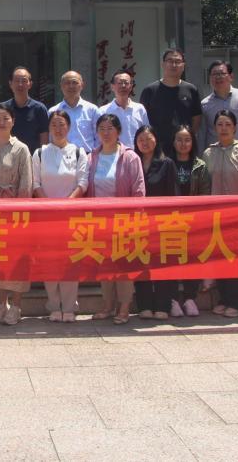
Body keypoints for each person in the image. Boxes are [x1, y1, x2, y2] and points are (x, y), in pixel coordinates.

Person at [0, 103, 34, 325]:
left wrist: (19, 210)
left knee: (16, 259)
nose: (1, 122)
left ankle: (16, 306)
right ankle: (2, 304)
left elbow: (26, 183)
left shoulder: (21, 149)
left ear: (13, 121)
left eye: (5, 118)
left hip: (14, 211)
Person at [88, 114, 146, 324]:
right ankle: (107, 305)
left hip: (124, 219)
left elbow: (139, 190)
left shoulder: (130, 157)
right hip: (100, 221)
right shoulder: (92, 157)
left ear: (119, 131)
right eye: (102, 128)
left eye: (110, 128)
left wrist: (135, 218)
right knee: (104, 265)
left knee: (123, 264)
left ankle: (124, 307)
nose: (106, 132)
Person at [33, 110, 89, 322]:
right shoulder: (40, 153)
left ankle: (69, 306)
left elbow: (82, 182)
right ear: (49, 128)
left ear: (69, 127)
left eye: (62, 124)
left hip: (71, 215)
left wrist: (66, 205)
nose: (58, 129)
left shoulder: (79, 152)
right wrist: (50, 206)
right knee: (50, 261)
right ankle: (54, 305)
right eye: (54, 125)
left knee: (70, 261)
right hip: (46, 216)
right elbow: (35, 183)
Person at [202, 109, 238, 318]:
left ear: (235, 127)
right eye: (220, 124)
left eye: (228, 124)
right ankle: (224, 299)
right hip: (216, 216)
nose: (223, 128)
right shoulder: (208, 153)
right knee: (220, 257)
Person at [131, 125, 179, 320]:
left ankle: (162, 305)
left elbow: (173, 194)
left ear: (156, 140)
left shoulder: (167, 163)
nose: (144, 142)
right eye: (140, 139)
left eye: (148, 138)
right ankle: (144, 305)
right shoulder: (132, 162)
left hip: (162, 223)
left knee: (162, 264)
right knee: (140, 262)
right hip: (139, 223)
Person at [171, 125, 210, 317]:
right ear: (173, 142)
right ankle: (172, 299)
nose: (183, 144)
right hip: (170, 220)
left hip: (194, 220)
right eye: (179, 139)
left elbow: (205, 193)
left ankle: (189, 298)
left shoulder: (200, 166)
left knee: (192, 259)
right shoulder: (166, 163)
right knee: (170, 259)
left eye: (187, 140)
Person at [139, 48, 203, 152]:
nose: (174, 65)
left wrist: (187, 137)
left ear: (183, 66)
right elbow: (142, 119)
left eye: (178, 61)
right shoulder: (150, 90)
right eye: (170, 61)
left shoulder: (191, 90)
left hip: (183, 149)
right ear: (163, 64)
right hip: (157, 148)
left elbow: (196, 118)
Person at [199, 60, 238, 151]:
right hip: (217, 156)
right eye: (214, 74)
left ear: (231, 76)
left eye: (222, 73)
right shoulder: (205, 105)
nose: (218, 77)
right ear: (210, 78)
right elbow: (202, 136)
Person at [97, 69, 149, 150]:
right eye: (120, 83)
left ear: (131, 86)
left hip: (137, 154)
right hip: (113, 154)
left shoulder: (140, 109)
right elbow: (98, 137)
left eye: (126, 83)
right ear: (112, 86)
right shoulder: (103, 111)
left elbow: (146, 133)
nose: (123, 86)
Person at [49, 71, 99, 153]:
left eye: (75, 82)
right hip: (61, 156)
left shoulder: (92, 110)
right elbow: (50, 138)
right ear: (61, 86)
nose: (71, 86)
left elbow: (99, 138)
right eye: (67, 83)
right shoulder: (53, 111)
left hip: (88, 157)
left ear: (82, 85)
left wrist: (94, 157)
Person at [2, 66, 48, 154]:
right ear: (10, 84)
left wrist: (41, 157)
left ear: (30, 84)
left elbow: (44, 139)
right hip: (8, 158)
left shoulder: (39, 109)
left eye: (24, 81)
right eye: (17, 81)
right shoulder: (3, 108)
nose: (20, 84)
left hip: (33, 158)